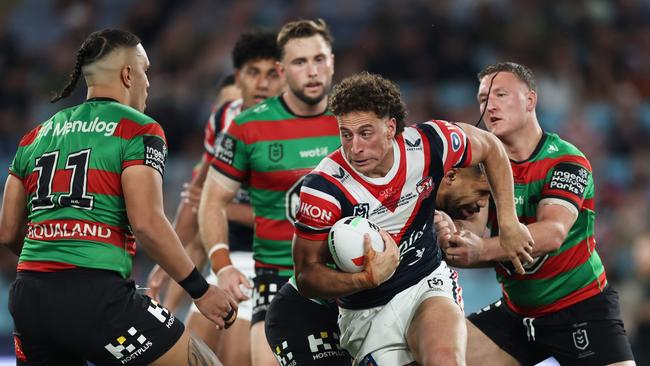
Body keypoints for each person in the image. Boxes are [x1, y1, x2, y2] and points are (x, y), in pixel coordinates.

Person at [0, 29, 237, 365]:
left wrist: (58, 261)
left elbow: (8, 232)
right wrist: (201, 290)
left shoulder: (34, 136)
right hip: (96, 299)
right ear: (128, 74)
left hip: (29, 299)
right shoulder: (139, 129)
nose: (148, 82)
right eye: (145, 70)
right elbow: (147, 223)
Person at [291, 71, 534, 366]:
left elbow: (491, 148)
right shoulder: (324, 188)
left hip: (425, 282)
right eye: (346, 134)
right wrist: (364, 278)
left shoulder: (431, 143)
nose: (355, 147)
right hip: (368, 311)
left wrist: (509, 222)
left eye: (366, 133)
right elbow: (306, 276)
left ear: (390, 127)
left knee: (445, 360)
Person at [436, 61, 636, 365]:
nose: (489, 106)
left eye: (500, 95)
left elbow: (552, 233)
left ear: (530, 100)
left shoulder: (567, 161)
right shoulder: (476, 171)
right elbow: (472, 241)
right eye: (482, 99)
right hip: (516, 314)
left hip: (580, 309)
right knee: (439, 350)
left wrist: (480, 250)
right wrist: (449, 234)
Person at [198, 19, 346, 366]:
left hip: (350, 275)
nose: (312, 71)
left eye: (319, 59)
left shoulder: (352, 119)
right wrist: (222, 265)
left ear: (333, 62)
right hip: (279, 278)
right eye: (299, 62)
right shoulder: (248, 127)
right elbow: (211, 202)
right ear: (282, 70)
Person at [147, 30, 284, 366]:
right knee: (187, 355)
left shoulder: (298, 127)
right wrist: (167, 264)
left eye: (271, 74)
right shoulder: (225, 118)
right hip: (229, 261)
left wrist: (220, 205)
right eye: (253, 73)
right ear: (239, 76)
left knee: (234, 357)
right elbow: (196, 199)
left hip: (274, 262)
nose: (262, 84)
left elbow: (289, 218)